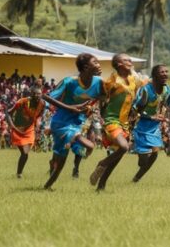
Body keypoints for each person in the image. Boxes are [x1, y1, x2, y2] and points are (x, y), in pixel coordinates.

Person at [43, 53, 104, 190]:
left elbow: (102, 98)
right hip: (61, 122)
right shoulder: (69, 82)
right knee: (86, 143)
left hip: (78, 122)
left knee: (60, 162)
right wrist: (70, 107)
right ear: (86, 66)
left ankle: (47, 186)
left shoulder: (98, 83)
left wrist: (90, 107)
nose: (99, 65)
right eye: (96, 62)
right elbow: (46, 97)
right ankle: (87, 148)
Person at [89, 53, 143, 191]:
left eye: (130, 59)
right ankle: (102, 163)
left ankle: (101, 186)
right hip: (112, 121)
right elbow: (99, 95)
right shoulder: (112, 81)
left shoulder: (133, 79)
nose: (130, 61)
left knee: (118, 155)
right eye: (126, 60)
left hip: (125, 124)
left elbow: (142, 88)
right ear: (119, 64)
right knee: (124, 147)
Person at [130, 64, 170, 183]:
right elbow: (135, 110)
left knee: (155, 153)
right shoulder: (145, 90)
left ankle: (136, 179)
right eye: (162, 72)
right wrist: (151, 116)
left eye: (166, 71)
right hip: (141, 126)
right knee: (143, 161)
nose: (165, 74)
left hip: (155, 127)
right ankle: (139, 152)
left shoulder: (167, 90)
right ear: (154, 75)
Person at [7, 86, 45, 178]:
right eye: (35, 94)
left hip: (30, 129)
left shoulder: (42, 103)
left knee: (25, 153)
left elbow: (40, 115)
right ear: (31, 94)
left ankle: (19, 174)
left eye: (39, 94)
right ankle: (19, 174)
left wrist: (38, 123)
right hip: (18, 129)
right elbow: (8, 112)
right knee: (24, 153)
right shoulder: (22, 101)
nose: (37, 96)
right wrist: (12, 126)